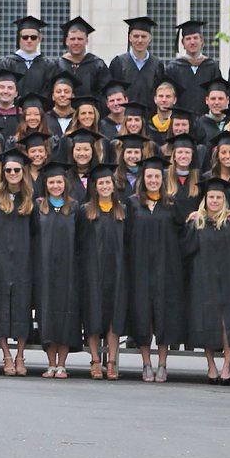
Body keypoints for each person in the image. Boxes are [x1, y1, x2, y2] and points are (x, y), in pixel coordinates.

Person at [126, 155, 183, 383]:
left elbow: (182, 233)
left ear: (162, 178)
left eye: (156, 176)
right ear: (142, 178)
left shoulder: (171, 204)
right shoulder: (132, 204)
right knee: (142, 316)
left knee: (163, 316)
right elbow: (127, 236)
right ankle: (146, 363)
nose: (152, 180)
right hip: (139, 269)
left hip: (165, 270)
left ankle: (162, 364)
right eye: (149, 176)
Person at [182, 176, 230, 386]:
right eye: (211, 197)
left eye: (218, 197)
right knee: (207, 322)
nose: (215, 200)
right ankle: (211, 365)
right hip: (203, 279)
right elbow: (187, 251)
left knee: (227, 324)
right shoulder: (196, 222)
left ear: (224, 199)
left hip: (229, 280)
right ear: (205, 199)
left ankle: (226, 366)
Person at [78, 163, 128, 380]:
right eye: (101, 183)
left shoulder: (123, 211)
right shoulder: (85, 211)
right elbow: (79, 244)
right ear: (95, 187)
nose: (105, 186)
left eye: (108, 182)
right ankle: (96, 360)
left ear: (113, 185)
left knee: (113, 316)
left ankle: (112, 360)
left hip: (117, 271)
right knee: (93, 315)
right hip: (92, 272)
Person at [33, 162, 80, 378]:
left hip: (69, 271)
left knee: (66, 316)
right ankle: (50, 363)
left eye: (59, 182)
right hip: (45, 270)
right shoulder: (39, 207)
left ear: (65, 183)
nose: (55, 185)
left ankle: (62, 364)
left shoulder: (75, 207)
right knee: (48, 315)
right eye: (51, 182)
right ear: (46, 184)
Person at [0, 152, 32, 377]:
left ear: (23, 172)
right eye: (9, 170)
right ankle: (6, 355)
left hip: (24, 261)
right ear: (3, 173)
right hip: (0, 260)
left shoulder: (31, 198)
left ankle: (20, 355)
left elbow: (35, 232)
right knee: (1, 308)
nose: (13, 173)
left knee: (21, 306)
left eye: (17, 170)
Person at [165, 20, 222, 116]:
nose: (192, 42)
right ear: (182, 43)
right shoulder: (173, 67)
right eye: (188, 39)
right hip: (181, 121)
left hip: (206, 119)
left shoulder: (211, 66)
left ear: (202, 41)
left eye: (195, 38)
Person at [108, 16, 165, 103]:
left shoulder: (157, 65)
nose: (139, 40)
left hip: (150, 114)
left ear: (150, 38)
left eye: (143, 36)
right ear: (130, 38)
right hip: (124, 114)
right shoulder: (119, 63)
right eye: (136, 36)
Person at [57, 16, 110, 99]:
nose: (76, 42)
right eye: (72, 39)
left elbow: (105, 94)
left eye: (80, 39)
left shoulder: (98, 65)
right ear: (67, 41)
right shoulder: (58, 65)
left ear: (87, 41)